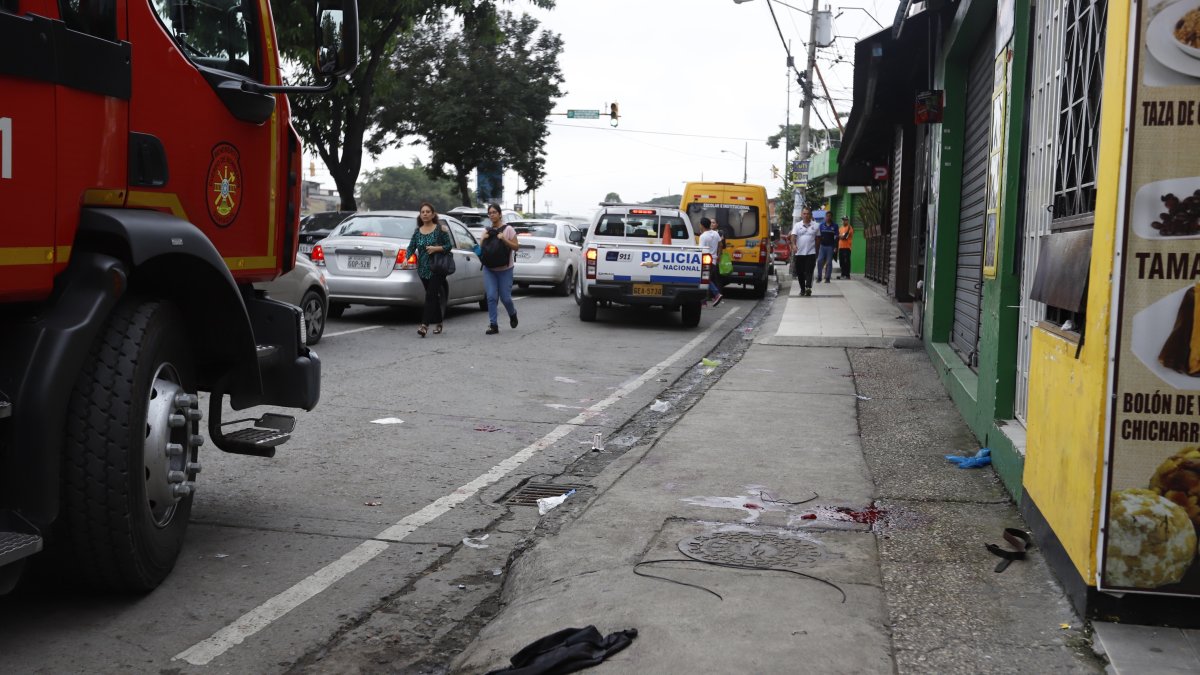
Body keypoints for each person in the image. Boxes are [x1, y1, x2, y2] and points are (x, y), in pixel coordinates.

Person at [407, 202, 454, 337]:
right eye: (423, 212)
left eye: (428, 212)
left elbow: (448, 246)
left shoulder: (440, 229)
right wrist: (406, 258)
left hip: (437, 268)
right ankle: (439, 322)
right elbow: (411, 247)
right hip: (423, 269)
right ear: (420, 215)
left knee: (430, 296)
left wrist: (436, 248)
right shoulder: (417, 232)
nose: (425, 214)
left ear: (433, 214)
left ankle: (424, 326)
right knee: (433, 296)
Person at [480, 203, 520, 335]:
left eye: (494, 212)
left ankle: (512, 313)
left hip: (505, 269)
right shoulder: (486, 231)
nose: (492, 215)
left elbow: (516, 247)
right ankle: (493, 325)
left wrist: (504, 239)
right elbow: (481, 250)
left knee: (506, 298)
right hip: (489, 269)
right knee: (491, 297)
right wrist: (482, 240)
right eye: (490, 213)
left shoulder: (508, 230)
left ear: (500, 214)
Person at [791, 208, 819, 297]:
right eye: (804, 213)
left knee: (809, 271)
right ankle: (802, 289)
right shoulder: (797, 225)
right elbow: (793, 237)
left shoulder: (816, 225)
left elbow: (818, 239)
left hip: (811, 252)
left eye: (808, 214)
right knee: (800, 272)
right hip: (799, 253)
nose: (806, 215)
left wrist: (817, 251)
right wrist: (794, 245)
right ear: (801, 215)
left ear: (811, 215)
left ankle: (808, 288)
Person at [698, 216, 724, 307]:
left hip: (706, 261)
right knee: (705, 280)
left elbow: (701, 250)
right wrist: (718, 256)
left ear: (702, 225)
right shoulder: (715, 233)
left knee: (705, 279)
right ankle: (703, 300)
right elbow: (721, 245)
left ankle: (716, 294)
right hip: (713, 260)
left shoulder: (703, 237)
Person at [815, 213, 838, 284]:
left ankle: (827, 278)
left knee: (829, 263)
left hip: (830, 247)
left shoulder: (835, 226)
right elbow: (818, 236)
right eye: (827, 216)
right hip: (822, 246)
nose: (828, 217)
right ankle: (819, 277)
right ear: (825, 217)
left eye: (829, 216)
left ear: (831, 217)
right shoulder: (821, 225)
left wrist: (835, 247)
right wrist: (817, 247)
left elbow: (836, 238)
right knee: (819, 261)